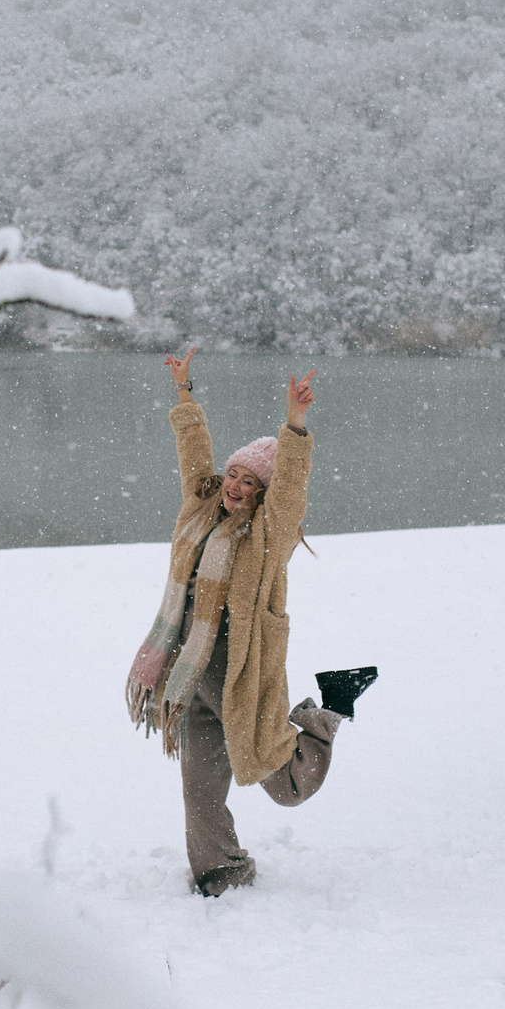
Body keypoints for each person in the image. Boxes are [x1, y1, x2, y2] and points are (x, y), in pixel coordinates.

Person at [124, 348, 378, 896]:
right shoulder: (200, 511)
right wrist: (185, 393)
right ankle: (221, 870)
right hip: (190, 673)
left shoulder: (268, 538)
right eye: (233, 475)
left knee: (285, 787)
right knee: (200, 786)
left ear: (263, 495)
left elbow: (291, 487)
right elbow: (194, 457)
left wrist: (295, 424)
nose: (234, 486)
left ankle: (330, 707)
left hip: (244, 679)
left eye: (248, 482)